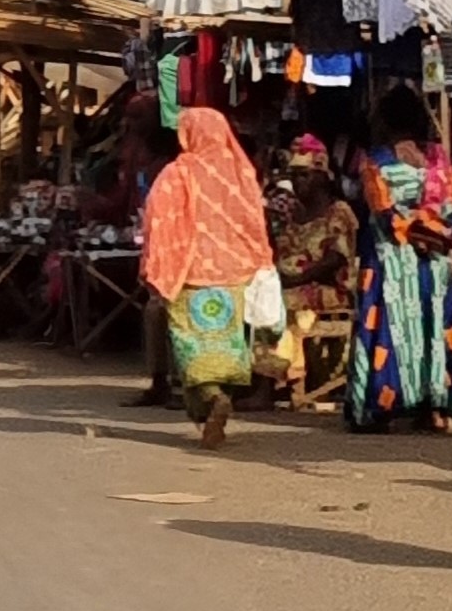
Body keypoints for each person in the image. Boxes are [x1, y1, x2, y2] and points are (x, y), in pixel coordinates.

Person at [137, 104, 271, 448]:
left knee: (191, 345)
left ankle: (209, 399)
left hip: (190, 273)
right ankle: (221, 395)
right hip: (234, 273)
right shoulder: (241, 173)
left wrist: (156, 266)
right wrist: (261, 259)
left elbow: (156, 219)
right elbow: (254, 221)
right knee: (225, 342)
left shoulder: (176, 173)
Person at [346, 86, 452, 433]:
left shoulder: (376, 161)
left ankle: (379, 407)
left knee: (390, 328)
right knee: (434, 329)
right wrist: (433, 234)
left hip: (392, 261)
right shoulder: (438, 160)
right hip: (433, 262)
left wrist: (410, 229)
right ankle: (437, 407)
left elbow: (383, 211)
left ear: (383, 120)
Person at [249, 134, 357, 402]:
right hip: (289, 281)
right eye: (293, 176)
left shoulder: (338, 212)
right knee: (252, 297)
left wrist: (296, 280)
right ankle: (248, 378)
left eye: (304, 175)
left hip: (328, 288)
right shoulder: (291, 212)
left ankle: (267, 385)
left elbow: (335, 259)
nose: (297, 182)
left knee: (280, 303)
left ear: (322, 177)